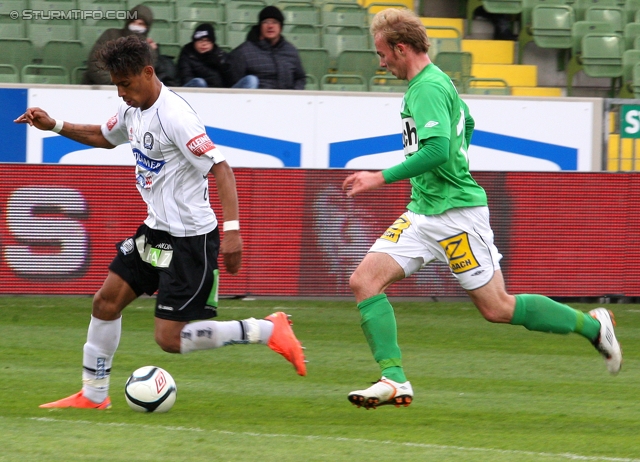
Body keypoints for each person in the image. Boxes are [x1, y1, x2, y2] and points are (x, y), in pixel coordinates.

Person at [341, 8, 622, 410]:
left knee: (498, 307)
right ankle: (394, 377)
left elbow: (437, 149)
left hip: (455, 216)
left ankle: (594, 327)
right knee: (364, 281)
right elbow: (467, 123)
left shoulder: (426, 88)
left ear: (401, 48)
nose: (381, 61)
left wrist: (379, 177)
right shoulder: (438, 83)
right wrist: (455, 160)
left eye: (383, 53)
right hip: (423, 213)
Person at [15, 35, 306, 410]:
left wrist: (233, 234)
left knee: (169, 339)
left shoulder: (175, 117)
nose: (120, 93)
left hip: (190, 241)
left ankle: (267, 330)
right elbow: (103, 137)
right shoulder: (132, 109)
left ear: (148, 72)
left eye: (126, 84)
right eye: (116, 85)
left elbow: (222, 169)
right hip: (156, 233)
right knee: (105, 302)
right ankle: (93, 395)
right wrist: (53, 124)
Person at [229, 6, 305, 90]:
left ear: (281, 27)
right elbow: (234, 83)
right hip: (254, 101)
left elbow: (300, 78)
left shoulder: (291, 50)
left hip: (284, 100)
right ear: (260, 26)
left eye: (275, 22)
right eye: (266, 22)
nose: (270, 26)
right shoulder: (243, 52)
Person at [82, 4, 159, 85]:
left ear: (147, 27)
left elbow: (144, 76)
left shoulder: (148, 49)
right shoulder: (110, 35)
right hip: (100, 89)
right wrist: (116, 83)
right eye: (133, 21)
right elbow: (96, 63)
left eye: (140, 24)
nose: (136, 26)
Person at [177, 23, 255, 89]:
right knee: (199, 82)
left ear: (212, 43)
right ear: (194, 42)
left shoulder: (220, 55)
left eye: (207, 41)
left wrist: (222, 64)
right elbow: (186, 79)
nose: (204, 44)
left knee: (251, 80)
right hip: (200, 96)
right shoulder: (187, 55)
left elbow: (234, 80)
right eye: (200, 40)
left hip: (222, 96)